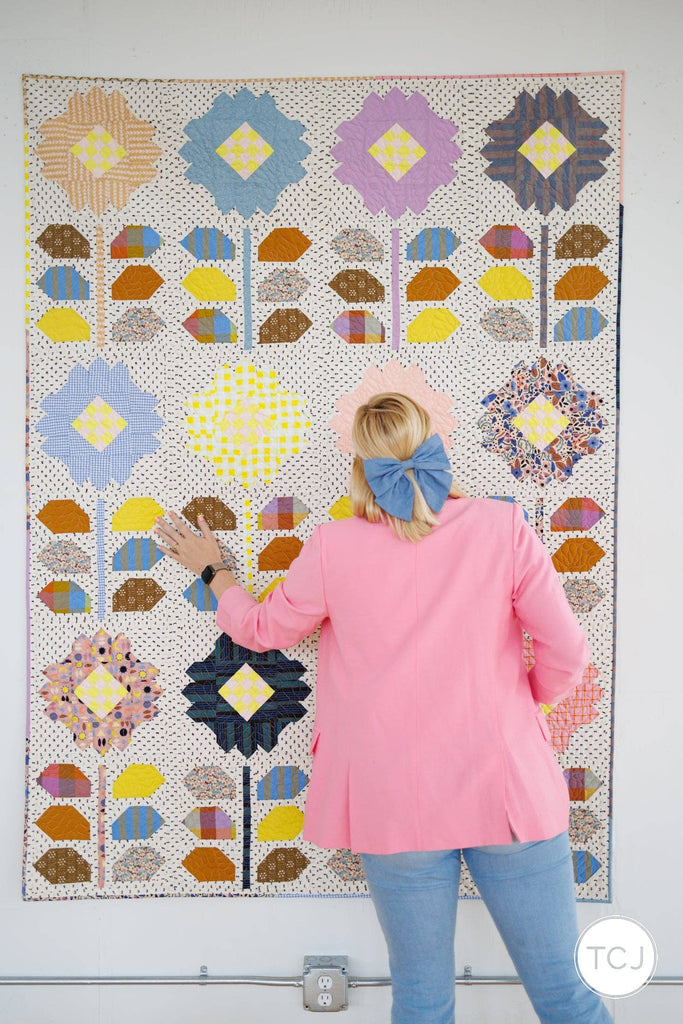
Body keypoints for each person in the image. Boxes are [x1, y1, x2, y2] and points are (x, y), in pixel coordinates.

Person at [154, 391, 613, 1024]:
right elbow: (566, 651)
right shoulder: (504, 527)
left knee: (421, 1001)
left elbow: (263, 630)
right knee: (566, 995)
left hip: (394, 801)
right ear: (435, 449)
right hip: (508, 787)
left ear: (361, 468)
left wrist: (215, 572)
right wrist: (514, 712)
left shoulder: (332, 545)